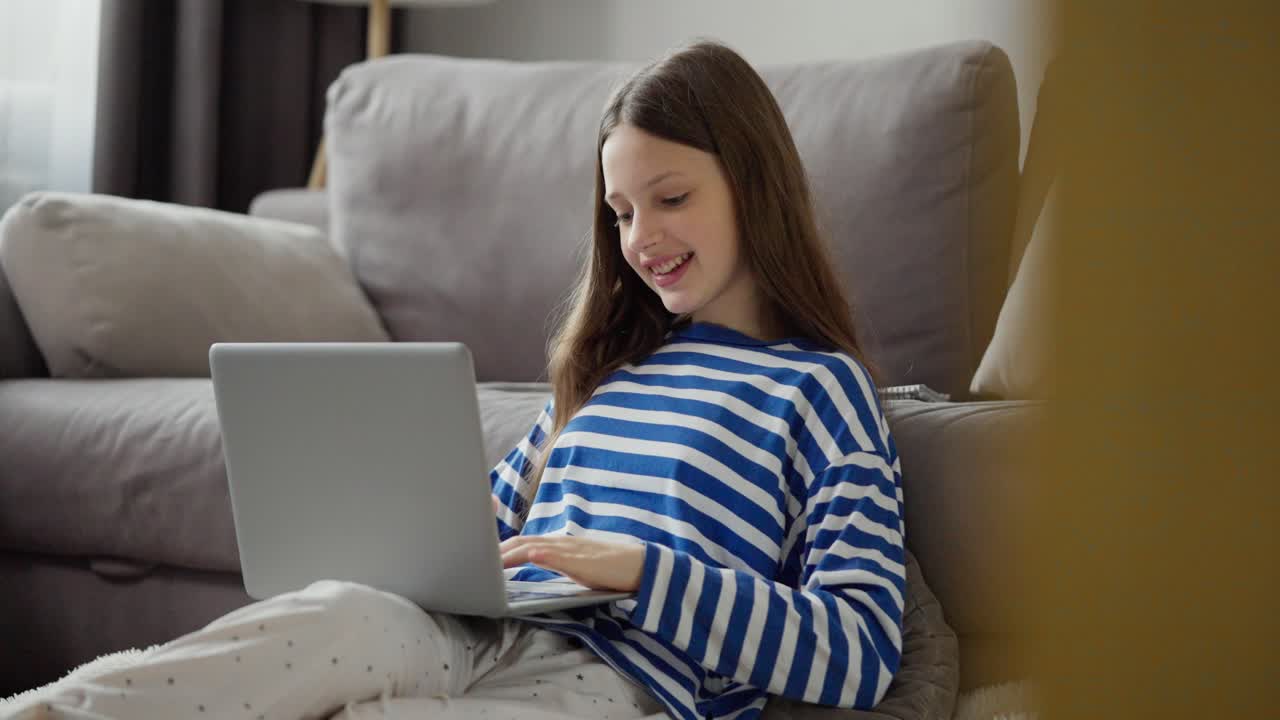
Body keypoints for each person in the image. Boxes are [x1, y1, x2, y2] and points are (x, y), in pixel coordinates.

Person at [8, 39, 905, 720]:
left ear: (755, 183)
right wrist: (415, 531)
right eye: (622, 212)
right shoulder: (614, 373)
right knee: (334, 618)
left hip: (624, 680)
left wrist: (638, 570)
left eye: (671, 199)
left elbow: (860, 651)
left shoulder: (819, 392)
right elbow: (479, 524)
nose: (640, 240)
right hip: (481, 626)